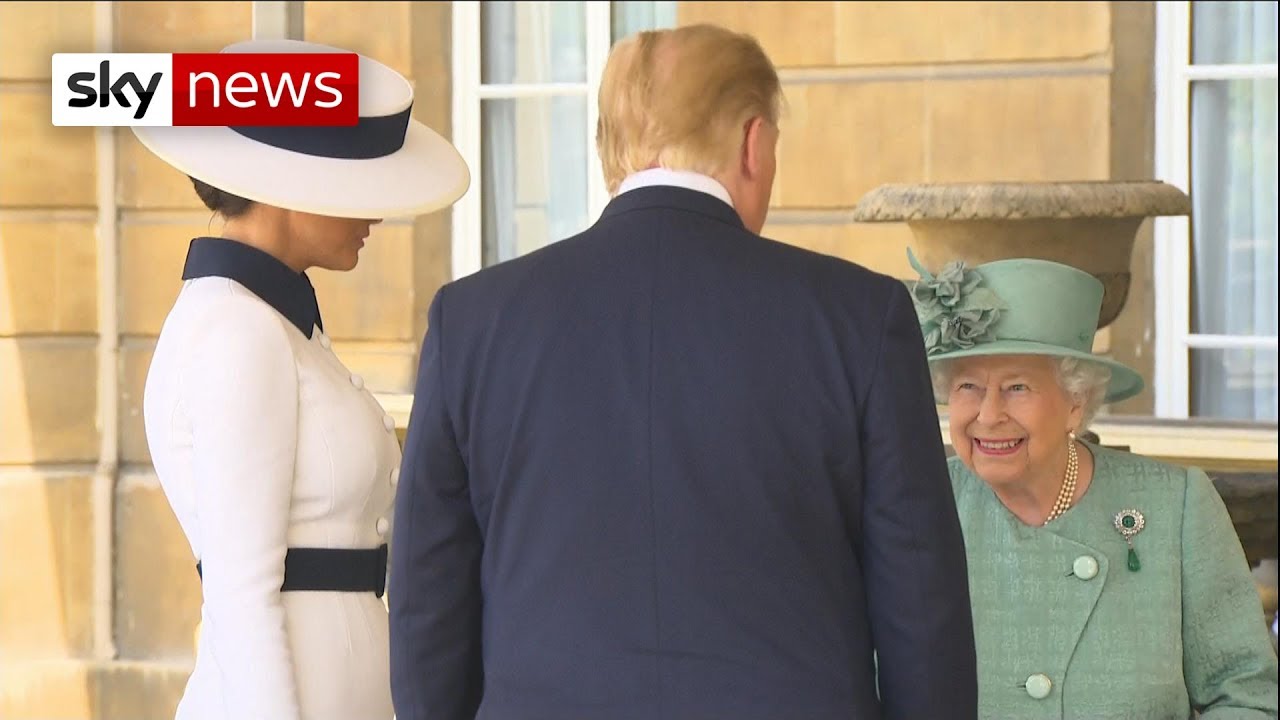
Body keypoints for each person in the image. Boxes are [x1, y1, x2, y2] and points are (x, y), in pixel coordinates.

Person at [390, 23, 977, 720]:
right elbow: (920, 604)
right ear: (754, 144)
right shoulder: (860, 317)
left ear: (608, 149)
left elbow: (428, 598)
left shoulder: (472, 322)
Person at [138, 38, 468, 720]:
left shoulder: (276, 325)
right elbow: (241, 597)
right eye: (362, 183)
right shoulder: (238, 330)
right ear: (290, 182)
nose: (380, 211)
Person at [907, 249, 1280, 718]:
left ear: (1076, 402)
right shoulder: (917, 507)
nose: (988, 415)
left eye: (1017, 387)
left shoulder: (1174, 506)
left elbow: (1250, 697)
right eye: (969, 387)